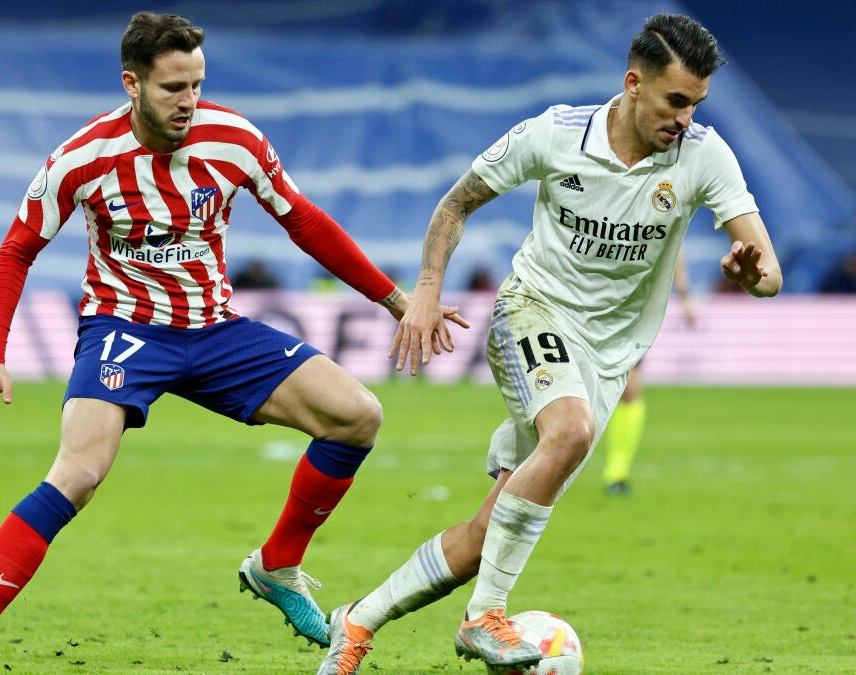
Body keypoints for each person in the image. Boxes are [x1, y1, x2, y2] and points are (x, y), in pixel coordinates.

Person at [0, 12, 466, 675]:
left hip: (214, 330)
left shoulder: (235, 139)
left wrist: (396, 299)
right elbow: (15, 252)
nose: (189, 101)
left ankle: (276, 565)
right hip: (124, 329)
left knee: (358, 416)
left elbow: (304, 221)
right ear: (132, 84)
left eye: (197, 85)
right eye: (173, 87)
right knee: (78, 474)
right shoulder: (81, 159)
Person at [318, 13, 782, 674]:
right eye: (675, 101)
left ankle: (357, 620)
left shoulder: (703, 155)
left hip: (608, 358)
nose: (685, 119)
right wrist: (424, 289)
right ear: (633, 83)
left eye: (695, 105)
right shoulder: (556, 134)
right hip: (531, 311)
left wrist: (750, 274)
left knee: (487, 534)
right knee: (569, 431)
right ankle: (485, 616)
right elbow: (455, 203)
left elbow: (769, 271)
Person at [600, 249, 697, 495]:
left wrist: (684, 296)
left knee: (629, 391)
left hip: (631, 312)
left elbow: (675, 248)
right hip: (593, 305)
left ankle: (617, 472)